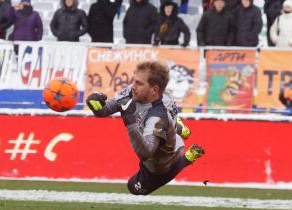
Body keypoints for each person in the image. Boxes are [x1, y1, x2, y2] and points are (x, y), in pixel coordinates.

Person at [86, 61, 204, 195]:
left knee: (134, 187)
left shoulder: (157, 116)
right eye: (134, 81)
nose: (133, 86)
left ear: (154, 89)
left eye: (139, 83)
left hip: (160, 161)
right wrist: (96, 104)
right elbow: (104, 110)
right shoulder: (134, 92)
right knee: (162, 125)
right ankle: (177, 126)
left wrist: (129, 120)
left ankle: (186, 159)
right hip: (158, 131)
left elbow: (146, 152)